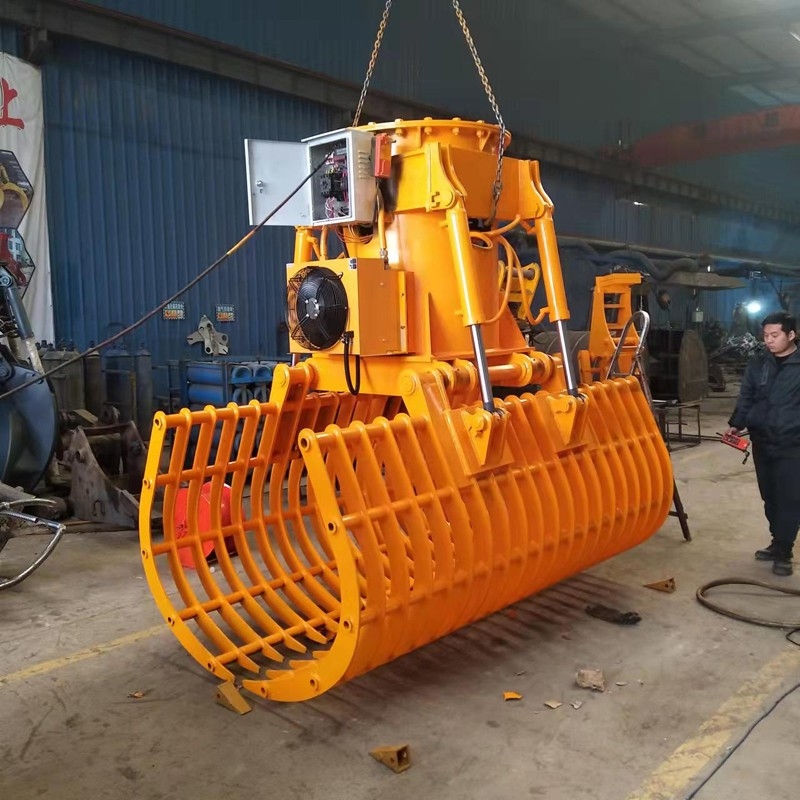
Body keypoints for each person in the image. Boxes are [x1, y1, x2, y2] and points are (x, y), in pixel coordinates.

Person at [726, 311, 800, 576]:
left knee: (789, 498)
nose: (768, 340)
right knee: (770, 496)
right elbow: (747, 395)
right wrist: (737, 422)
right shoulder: (759, 363)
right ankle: (777, 541)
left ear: (791, 335)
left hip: (793, 444)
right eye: (766, 335)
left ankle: (784, 551)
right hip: (762, 441)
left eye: (775, 335)